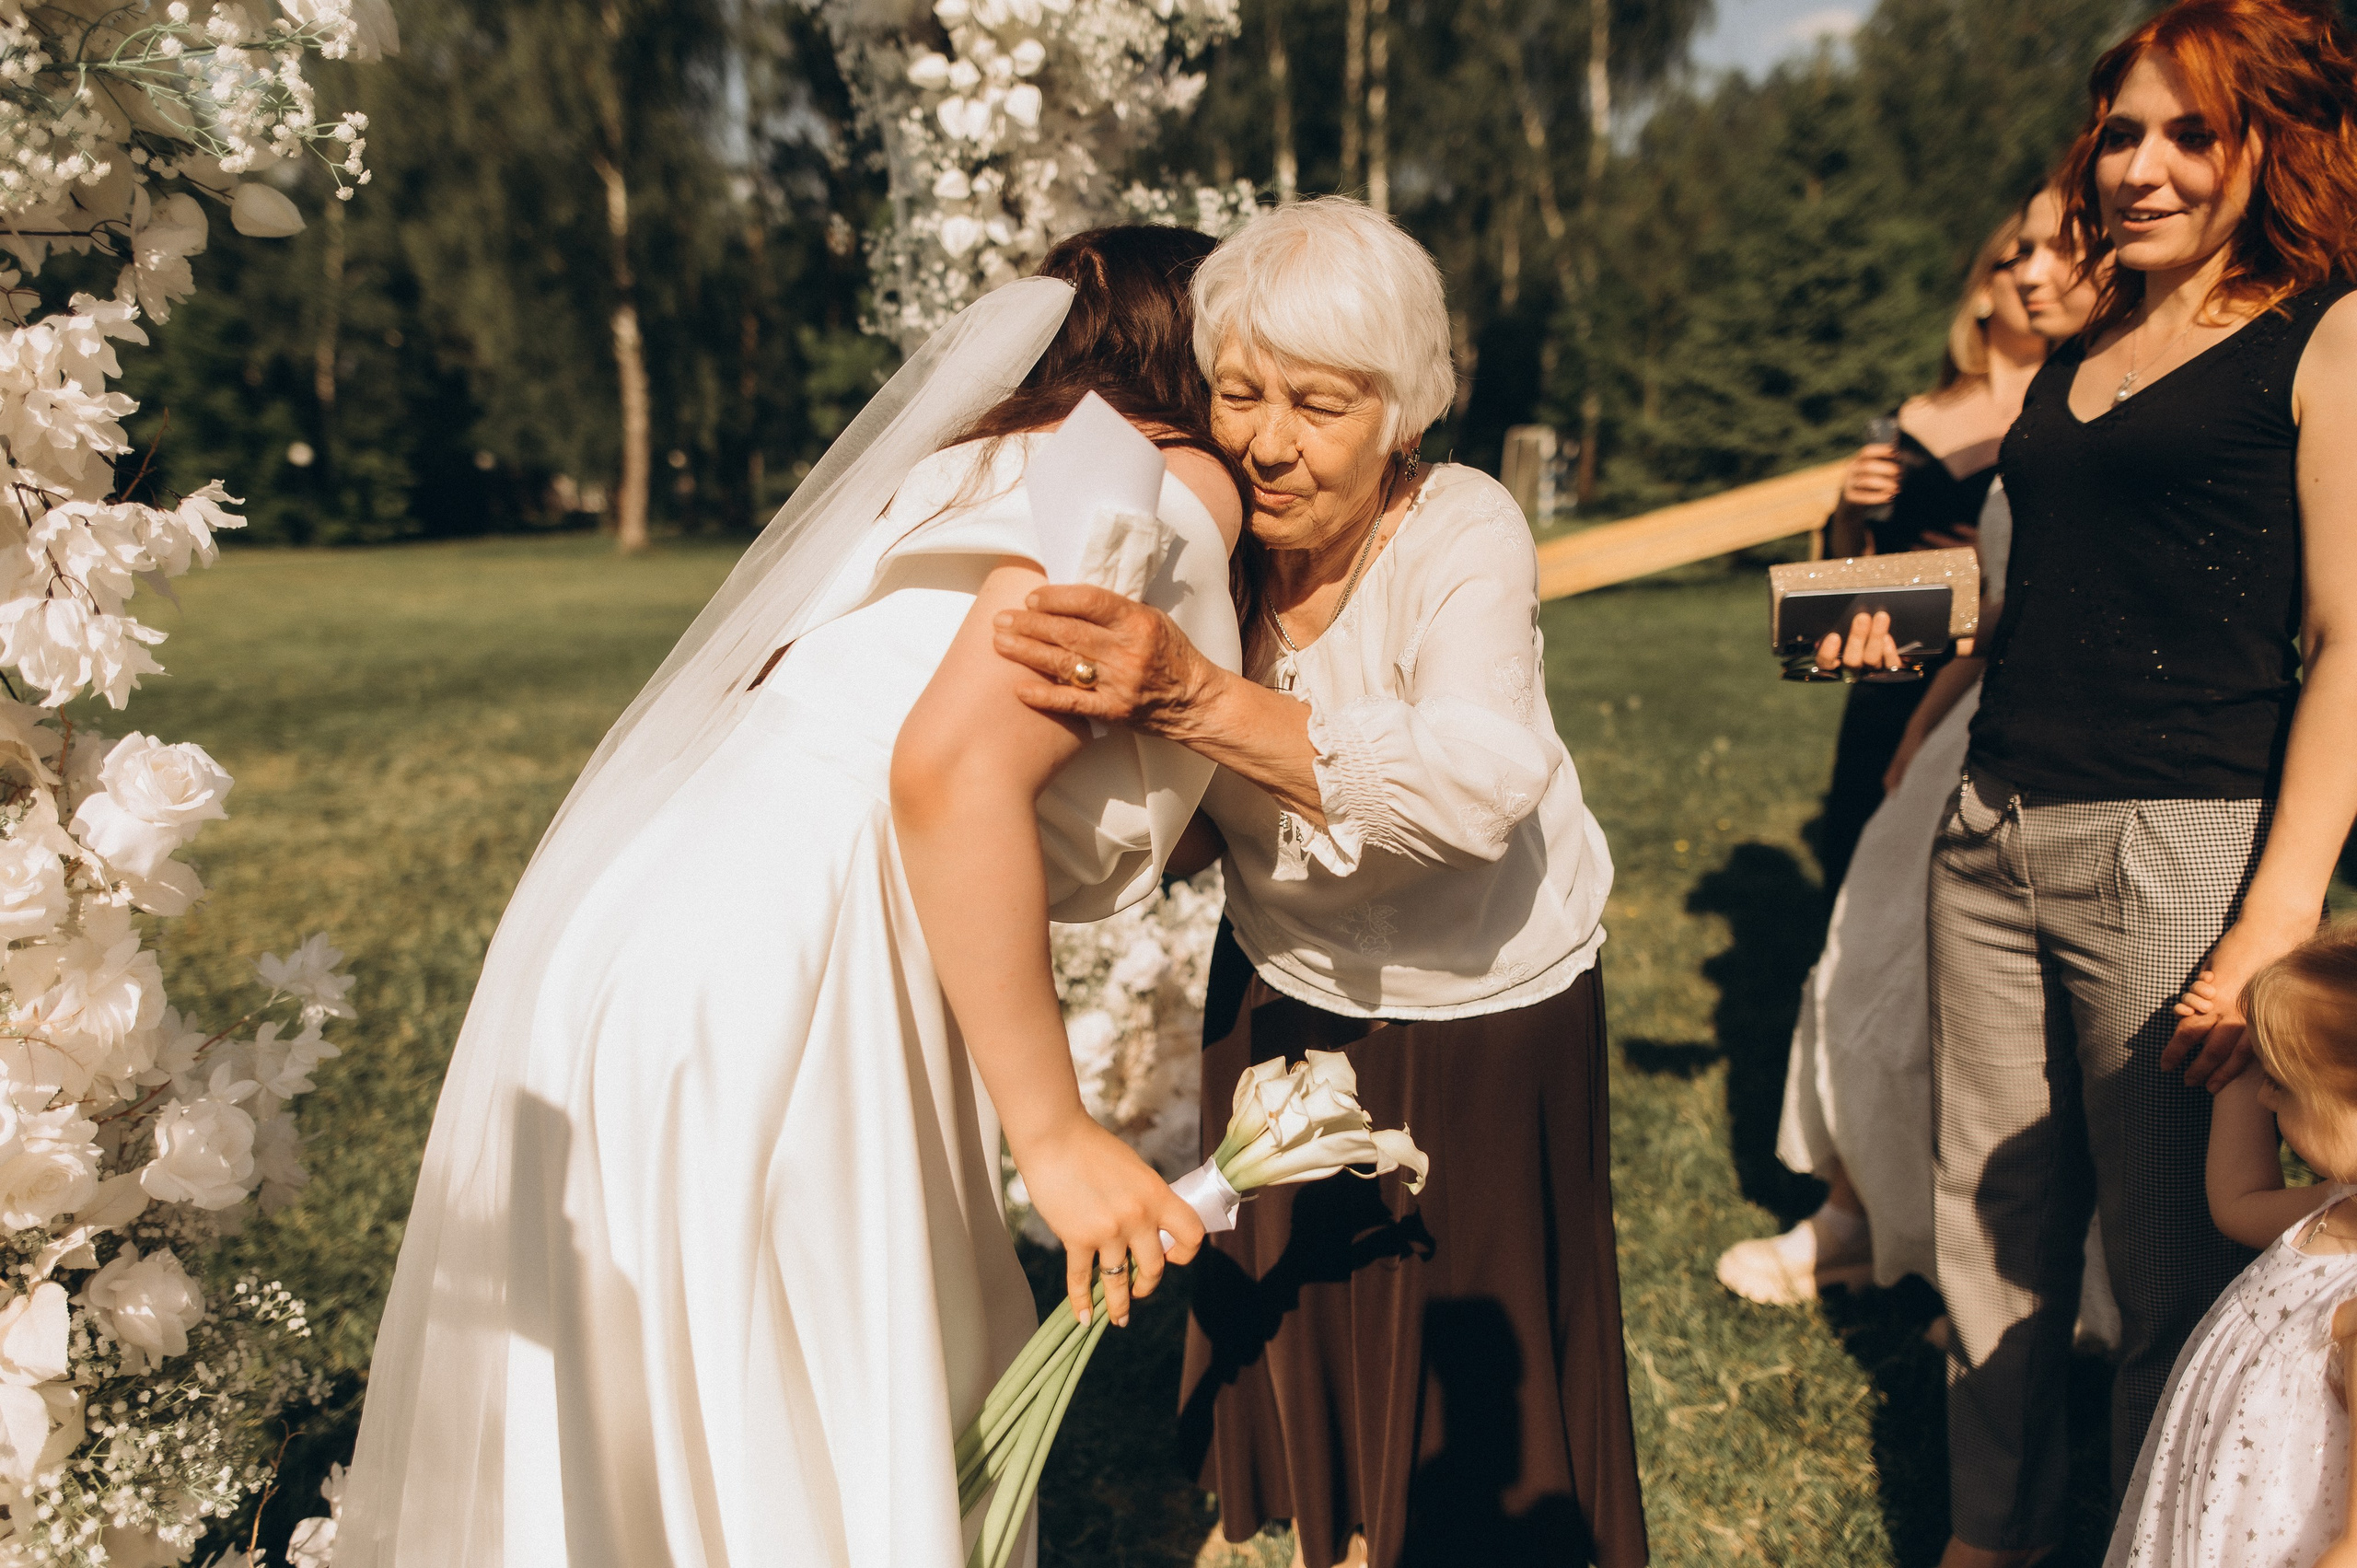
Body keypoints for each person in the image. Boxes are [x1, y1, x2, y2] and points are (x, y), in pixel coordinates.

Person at [334, 228, 1248, 1567]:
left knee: (643, 1399)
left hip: (637, 921)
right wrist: (1052, 1135)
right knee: (808, 1404)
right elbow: (949, 771)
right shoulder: (1162, 473)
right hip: (804, 950)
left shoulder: (955, 471)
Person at [990, 198, 1643, 1568]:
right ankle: (1337, 1526)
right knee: (1309, 1328)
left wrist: (1186, 693)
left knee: (1467, 1372)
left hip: (1481, 1014)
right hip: (1284, 990)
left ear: (1403, 414)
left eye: (1320, 404)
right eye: (1239, 394)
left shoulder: (1463, 528)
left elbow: (1477, 781)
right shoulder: (1208, 541)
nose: (1270, 441)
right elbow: (1182, 816)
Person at [1925, 3, 2357, 1563]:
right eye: (2122, 131)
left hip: (2184, 851)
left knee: (2171, 1263)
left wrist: (2270, 922)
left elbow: (2350, 643)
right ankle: (1990, 1533)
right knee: (1986, 1228)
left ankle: (2155, 1535)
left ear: (2275, 142)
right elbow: (2084, 581)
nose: (2144, 167)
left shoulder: (2327, 332)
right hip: (1990, 828)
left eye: (2193, 132)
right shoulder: (2087, 347)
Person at [1718, 185, 2107, 1307]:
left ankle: (2015, 1263)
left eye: (2053, 251)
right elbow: (1947, 591)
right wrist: (1920, 720)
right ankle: (1856, 1212)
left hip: (2043, 731)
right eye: (2014, 253)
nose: (2024, 274)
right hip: (1923, 695)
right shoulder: (1953, 409)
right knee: (1864, 956)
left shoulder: (2099, 410)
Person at [2105, 923, 2357, 1568]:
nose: (2265, 1094)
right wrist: (2243, 1054)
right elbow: (2238, 1201)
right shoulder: (2333, 1207)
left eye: (2282, 1082)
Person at [1809, 205, 2044, 896]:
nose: (2037, 277)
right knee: (1862, 846)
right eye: (2015, 259)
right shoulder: (1915, 417)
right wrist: (1850, 504)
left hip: (2002, 659)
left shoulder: (2071, 408)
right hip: (1900, 661)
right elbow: (1854, 567)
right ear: (1980, 291)